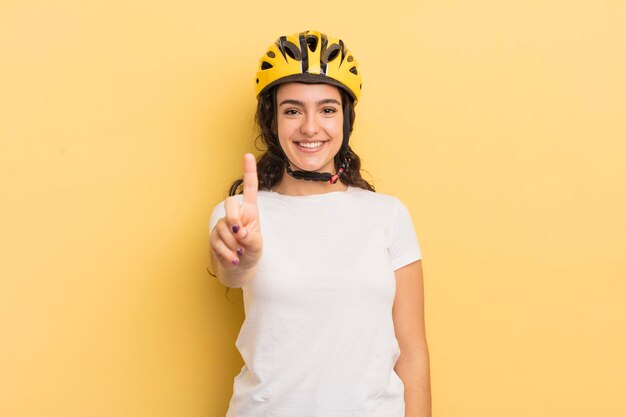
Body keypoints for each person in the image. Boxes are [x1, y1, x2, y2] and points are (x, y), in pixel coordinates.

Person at [209, 30, 431, 417]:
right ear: (271, 120)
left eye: (327, 109)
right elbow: (229, 270)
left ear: (345, 118)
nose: (310, 127)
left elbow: (412, 354)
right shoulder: (240, 214)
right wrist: (239, 260)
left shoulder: (388, 215)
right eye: (292, 110)